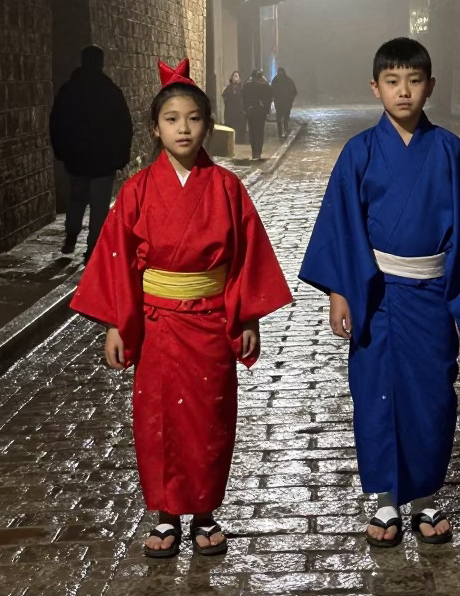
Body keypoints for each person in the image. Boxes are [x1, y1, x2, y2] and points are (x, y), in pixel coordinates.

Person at [70, 57, 292, 558]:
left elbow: (245, 257)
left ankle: (206, 512)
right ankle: (167, 514)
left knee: (210, 417)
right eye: (172, 119)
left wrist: (248, 315)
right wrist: (114, 323)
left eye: (193, 118)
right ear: (155, 127)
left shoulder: (227, 188)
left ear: (207, 125)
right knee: (159, 418)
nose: (183, 128)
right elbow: (117, 259)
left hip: (211, 320)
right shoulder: (136, 191)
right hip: (156, 324)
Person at [299, 37, 460, 548]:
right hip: (377, 293)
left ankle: (426, 497)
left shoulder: (450, 151)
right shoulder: (360, 153)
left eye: (414, 81)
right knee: (375, 393)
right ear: (375, 88)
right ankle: (388, 500)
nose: (404, 91)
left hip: (431, 292)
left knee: (433, 393)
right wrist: (339, 292)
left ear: (430, 86)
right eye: (392, 82)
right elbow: (342, 226)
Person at [49, 45, 133, 262]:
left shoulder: (69, 90)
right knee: (99, 206)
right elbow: (124, 126)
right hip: (104, 161)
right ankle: (92, 248)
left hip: (76, 159)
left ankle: (71, 236)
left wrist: (61, 151)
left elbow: (57, 122)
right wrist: (122, 156)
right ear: (101, 63)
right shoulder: (111, 92)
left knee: (76, 199)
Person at [242, 69, 272, 160]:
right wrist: (266, 110)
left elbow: (243, 97)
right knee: (259, 132)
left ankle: (254, 151)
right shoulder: (264, 86)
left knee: (253, 132)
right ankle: (258, 151)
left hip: (251, 111)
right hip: (260, 111)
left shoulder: (247, 85)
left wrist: (245, 109)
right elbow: (270, 95)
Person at [221, 70, 247, 144]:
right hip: (230, 110)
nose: (235, 78)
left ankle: (239, 140)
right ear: (231, 78)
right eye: (234, 76)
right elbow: (224, 96)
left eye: (237, 76)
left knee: (239, 126)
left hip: (239, 110)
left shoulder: (242, 88)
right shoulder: (228, 88)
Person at [271, 67, 298, 138]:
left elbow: (293, 92)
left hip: (285, 102)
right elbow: (271, 91)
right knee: (281, 117)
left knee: (283, 117)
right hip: (281, 102)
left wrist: (290, 99)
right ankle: (282, 131)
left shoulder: (284, 80)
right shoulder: (276, 80)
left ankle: (284, 130)